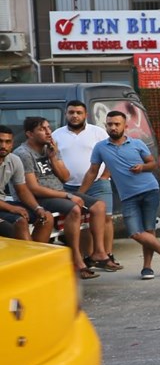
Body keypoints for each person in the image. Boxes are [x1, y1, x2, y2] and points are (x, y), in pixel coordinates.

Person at [78, 111, 160, 280]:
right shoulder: (101, 148)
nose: (113, 127)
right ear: (106, 126)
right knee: (134, 232)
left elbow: (152, 163)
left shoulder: (137, 143)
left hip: (149, 190)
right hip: (128, 196)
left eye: (117, 124)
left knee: (148, 230)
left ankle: (147, 268)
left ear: (125, 126)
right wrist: (80, 194)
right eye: (110, 124)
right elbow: (92, 172)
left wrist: (142, 167)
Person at [14, 117, 111, 278]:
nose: (48, 132)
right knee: (74, 208)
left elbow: (65, 177)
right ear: (29, 134)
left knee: (99, 206)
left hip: (59, 191)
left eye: (48, 128)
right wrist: (67, 195)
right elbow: (34, 188)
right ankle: (77, 259)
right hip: (40, 197)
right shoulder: (23, 153)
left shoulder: (50, 148)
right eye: (42, 129)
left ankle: (99, 253)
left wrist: (53, 157)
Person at [53, 100, 121, 271]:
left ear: (86, 115)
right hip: (69, 187)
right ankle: (88, 256)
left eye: (78, 112)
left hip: (98, 183)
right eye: (71, 112)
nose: (75, 115)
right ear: (66, 114)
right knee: (82, 221)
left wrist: (106, 176)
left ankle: (107, 255)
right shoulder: (56, 135)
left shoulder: (98, 132)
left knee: (106, 217)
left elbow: (113, 154)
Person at [0, 124, 48, 241]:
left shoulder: (14, 160)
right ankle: (29, 258)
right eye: (0, 141)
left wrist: (37, 208)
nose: (3, 146)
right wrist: (12, 209)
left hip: (2, 203)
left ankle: (38, 254)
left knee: (46, 217)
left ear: (12, 144)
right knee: (19, 222)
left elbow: (22, 190)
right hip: (4, 205)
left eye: (7, 142)